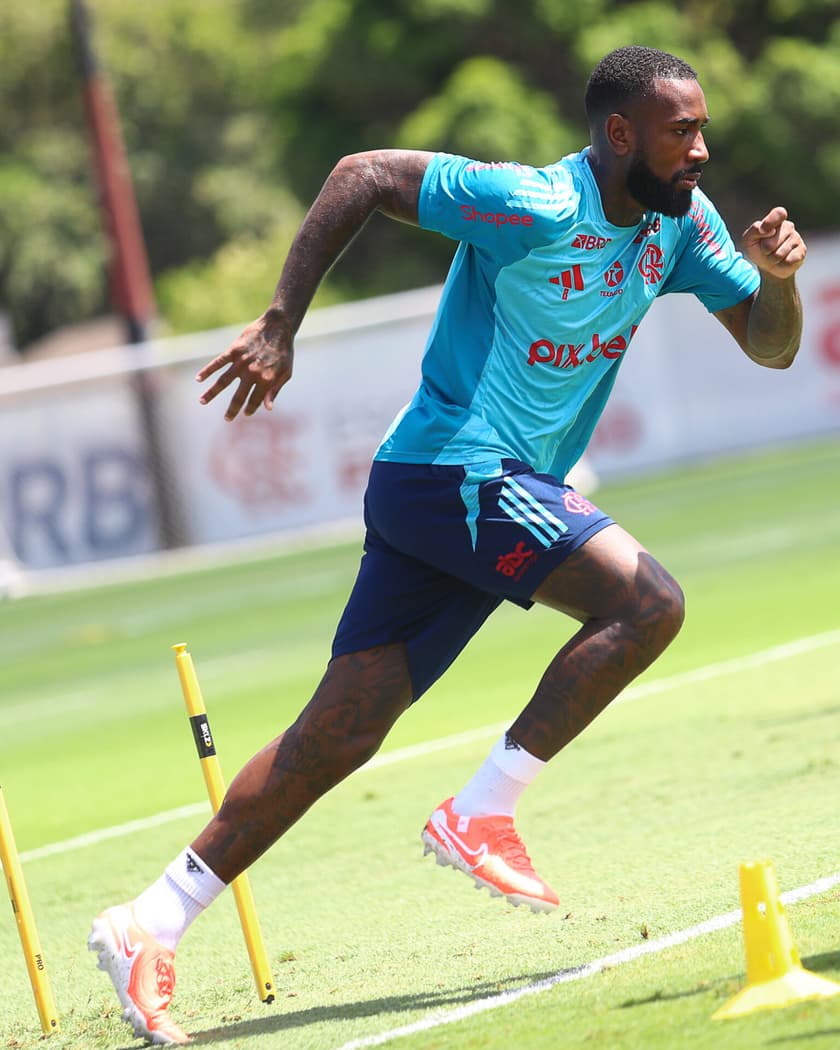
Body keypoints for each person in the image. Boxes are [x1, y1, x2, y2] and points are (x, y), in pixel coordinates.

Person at [89, 45, 806, 1045]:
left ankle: (147, 923)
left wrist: (777, 281)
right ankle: (482, 810)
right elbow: (361, 176)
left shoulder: (682, 227)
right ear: (619, 135)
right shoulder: (536, 204)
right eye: (681, 130)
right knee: (649, 603)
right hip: (459, 473)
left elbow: (771, 343)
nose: (702, 150)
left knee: (336, 736)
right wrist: (282, 323)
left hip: (464, 490)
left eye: (702, 129)